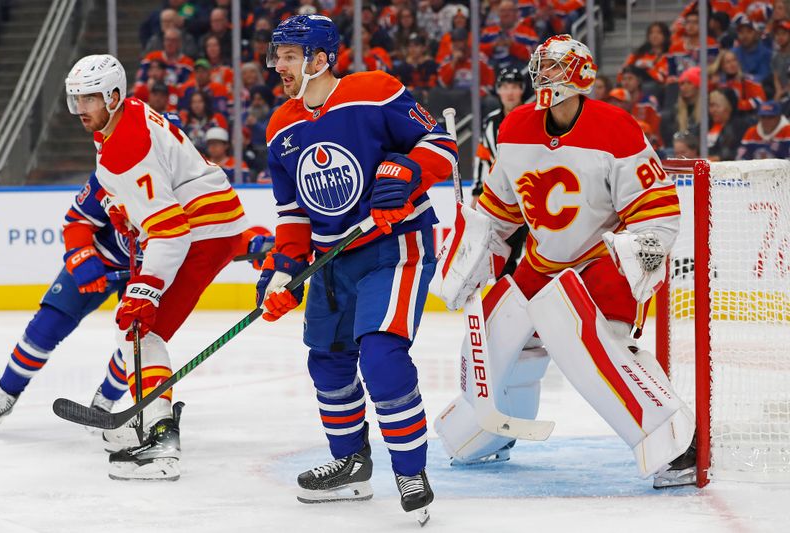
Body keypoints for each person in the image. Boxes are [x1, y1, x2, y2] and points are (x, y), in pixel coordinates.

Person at [433, 34, 697, 489]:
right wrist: (474, 258)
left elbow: (657, 213)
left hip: (601, 263)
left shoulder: (616, 127)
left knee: (581, 343)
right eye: (542, 65)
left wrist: (639, 259)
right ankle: (485, 432)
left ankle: (672, 438)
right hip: (541, 263)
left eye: (555, 67)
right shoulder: (514, 128)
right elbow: (498, 216)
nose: (543, 75)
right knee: (491, 333)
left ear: (581, 75)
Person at [262, 14, 457, 524]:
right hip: (330, 261)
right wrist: (284, 270)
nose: (277, 65)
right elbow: (293, 215)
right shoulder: (280, 125)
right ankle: (350, 462)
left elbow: (440, 145)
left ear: (321, 58)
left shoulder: (374, 91)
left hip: (394, 246)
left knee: (380, 353)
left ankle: (410, 471)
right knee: (326, 361)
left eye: (288, 55)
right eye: (276, 55)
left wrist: (408, 170)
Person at [65, 53, 248, 481]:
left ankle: (161, 440)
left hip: (201, 230)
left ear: (112, 95)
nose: (81, 111)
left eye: (88, 100)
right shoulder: (121, 117)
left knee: (139, 327)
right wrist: (121, 206)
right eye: (76, 102)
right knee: (140, 329)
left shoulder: (125, 146)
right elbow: (153, 184)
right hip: (210, 218)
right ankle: (149, 415)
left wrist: (145, 288)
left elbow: (172, 232)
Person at [0, 174, 134, 427]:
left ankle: (105, 401)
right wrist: (82, 256)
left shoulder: (179, 179)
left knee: (138, 338)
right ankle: (5, 395)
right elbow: (78, 220)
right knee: (45, 327)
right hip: (101, 257)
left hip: (152, 270)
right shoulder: (114, 168)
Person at [470, 67, 531, 278]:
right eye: (505, 87)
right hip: (505, 198)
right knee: (506, 255)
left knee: (540, 252)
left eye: (514, 86)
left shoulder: (535, 116)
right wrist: (478, 190)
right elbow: (482, 156)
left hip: (533, 195)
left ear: (522, 90)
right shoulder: (491, 122)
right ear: (498, 91)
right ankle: (507, 300)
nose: (510, 92)